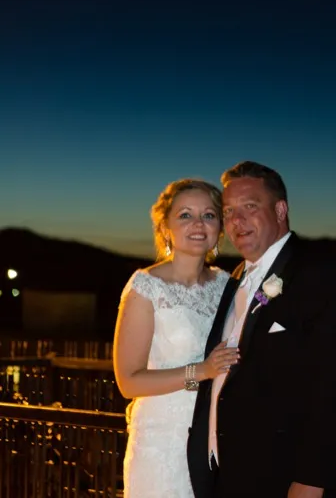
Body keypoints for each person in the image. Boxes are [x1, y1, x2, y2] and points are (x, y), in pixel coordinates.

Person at [187, 161, 336, 498]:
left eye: (250, 207)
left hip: (287, 480)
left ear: (280, 209)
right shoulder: (236, 277)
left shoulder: (320, 273)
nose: (236, 221)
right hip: (230, 477)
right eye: (228, 211)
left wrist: (311, 481)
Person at [113, 179, 241, 498]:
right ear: (165, 227)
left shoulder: (228, 285)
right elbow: (129, 382)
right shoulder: (146, 288)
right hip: (164, 443)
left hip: (217, 440)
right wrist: (200, 372)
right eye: (185, 215)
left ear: (219, 228)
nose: (198, 224)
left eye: (209, 215)